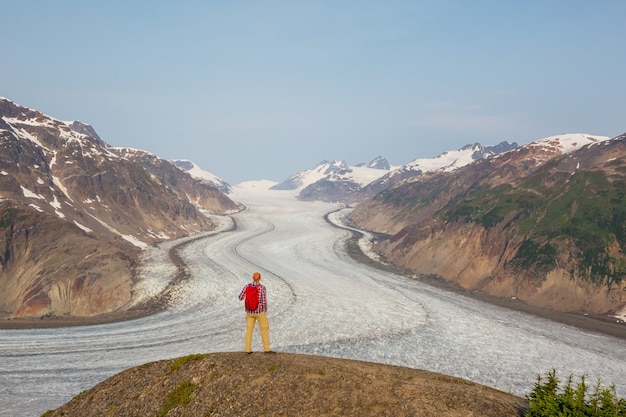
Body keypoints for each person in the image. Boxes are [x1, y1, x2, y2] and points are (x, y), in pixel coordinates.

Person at [238, 271, 274, 354]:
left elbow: (240, 297)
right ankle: (267, 349)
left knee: (249, 330)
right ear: (260, 278)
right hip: (259, 312)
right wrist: (264, 309)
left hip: (249, 312)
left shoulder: (247, 286)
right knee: (264, 329)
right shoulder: (262, 288)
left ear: (252, 278)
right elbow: (263, 300)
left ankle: (247, 350)